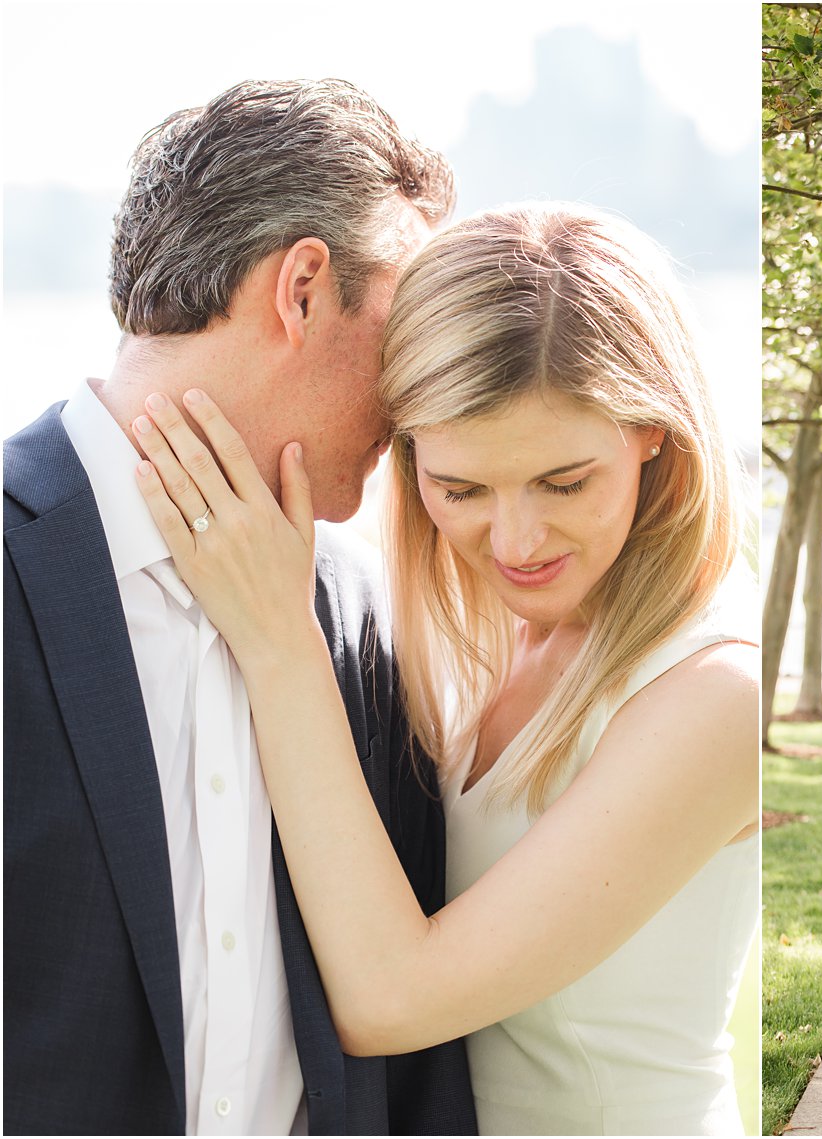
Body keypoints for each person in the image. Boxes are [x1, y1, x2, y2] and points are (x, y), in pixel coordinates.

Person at [131, 203, 761, 1135]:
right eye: (460, 488)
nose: (514, 540)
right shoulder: (480, 643)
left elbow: (390, 998)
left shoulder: (714, 696)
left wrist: (277, 636)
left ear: (653, 432)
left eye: (565, 481)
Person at [2, 80, 476, 1133]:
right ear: (303, 288)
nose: (425, 391)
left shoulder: (359, 614)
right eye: (409, 321)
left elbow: (418, 1068)